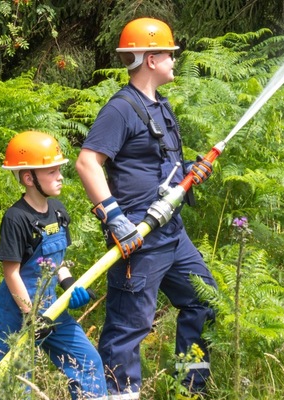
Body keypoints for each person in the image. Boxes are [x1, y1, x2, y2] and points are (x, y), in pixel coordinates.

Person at [75, 17, 218, 399]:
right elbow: (87, 162)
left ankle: (190, 389)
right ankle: (118, 394)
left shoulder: (160, 106)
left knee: (204, 301)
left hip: (172, 232)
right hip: (138, 237)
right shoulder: (120, 109)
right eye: (169, 53)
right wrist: (114, 217)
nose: (175, 59)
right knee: (128, 327)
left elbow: (158, 164)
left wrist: (189, 171)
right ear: (151, 59)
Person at [0, 130, 107, 399]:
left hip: (51, 307)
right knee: (16, 382)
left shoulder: (58, 210)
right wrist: (31, 316)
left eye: (59, 170)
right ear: (28, 177)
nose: (60, 176)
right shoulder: (16, 218)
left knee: (88, 363)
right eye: (52, 171)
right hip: (17, 311)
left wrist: (68, 284)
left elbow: (56, 261)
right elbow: (11, 273)